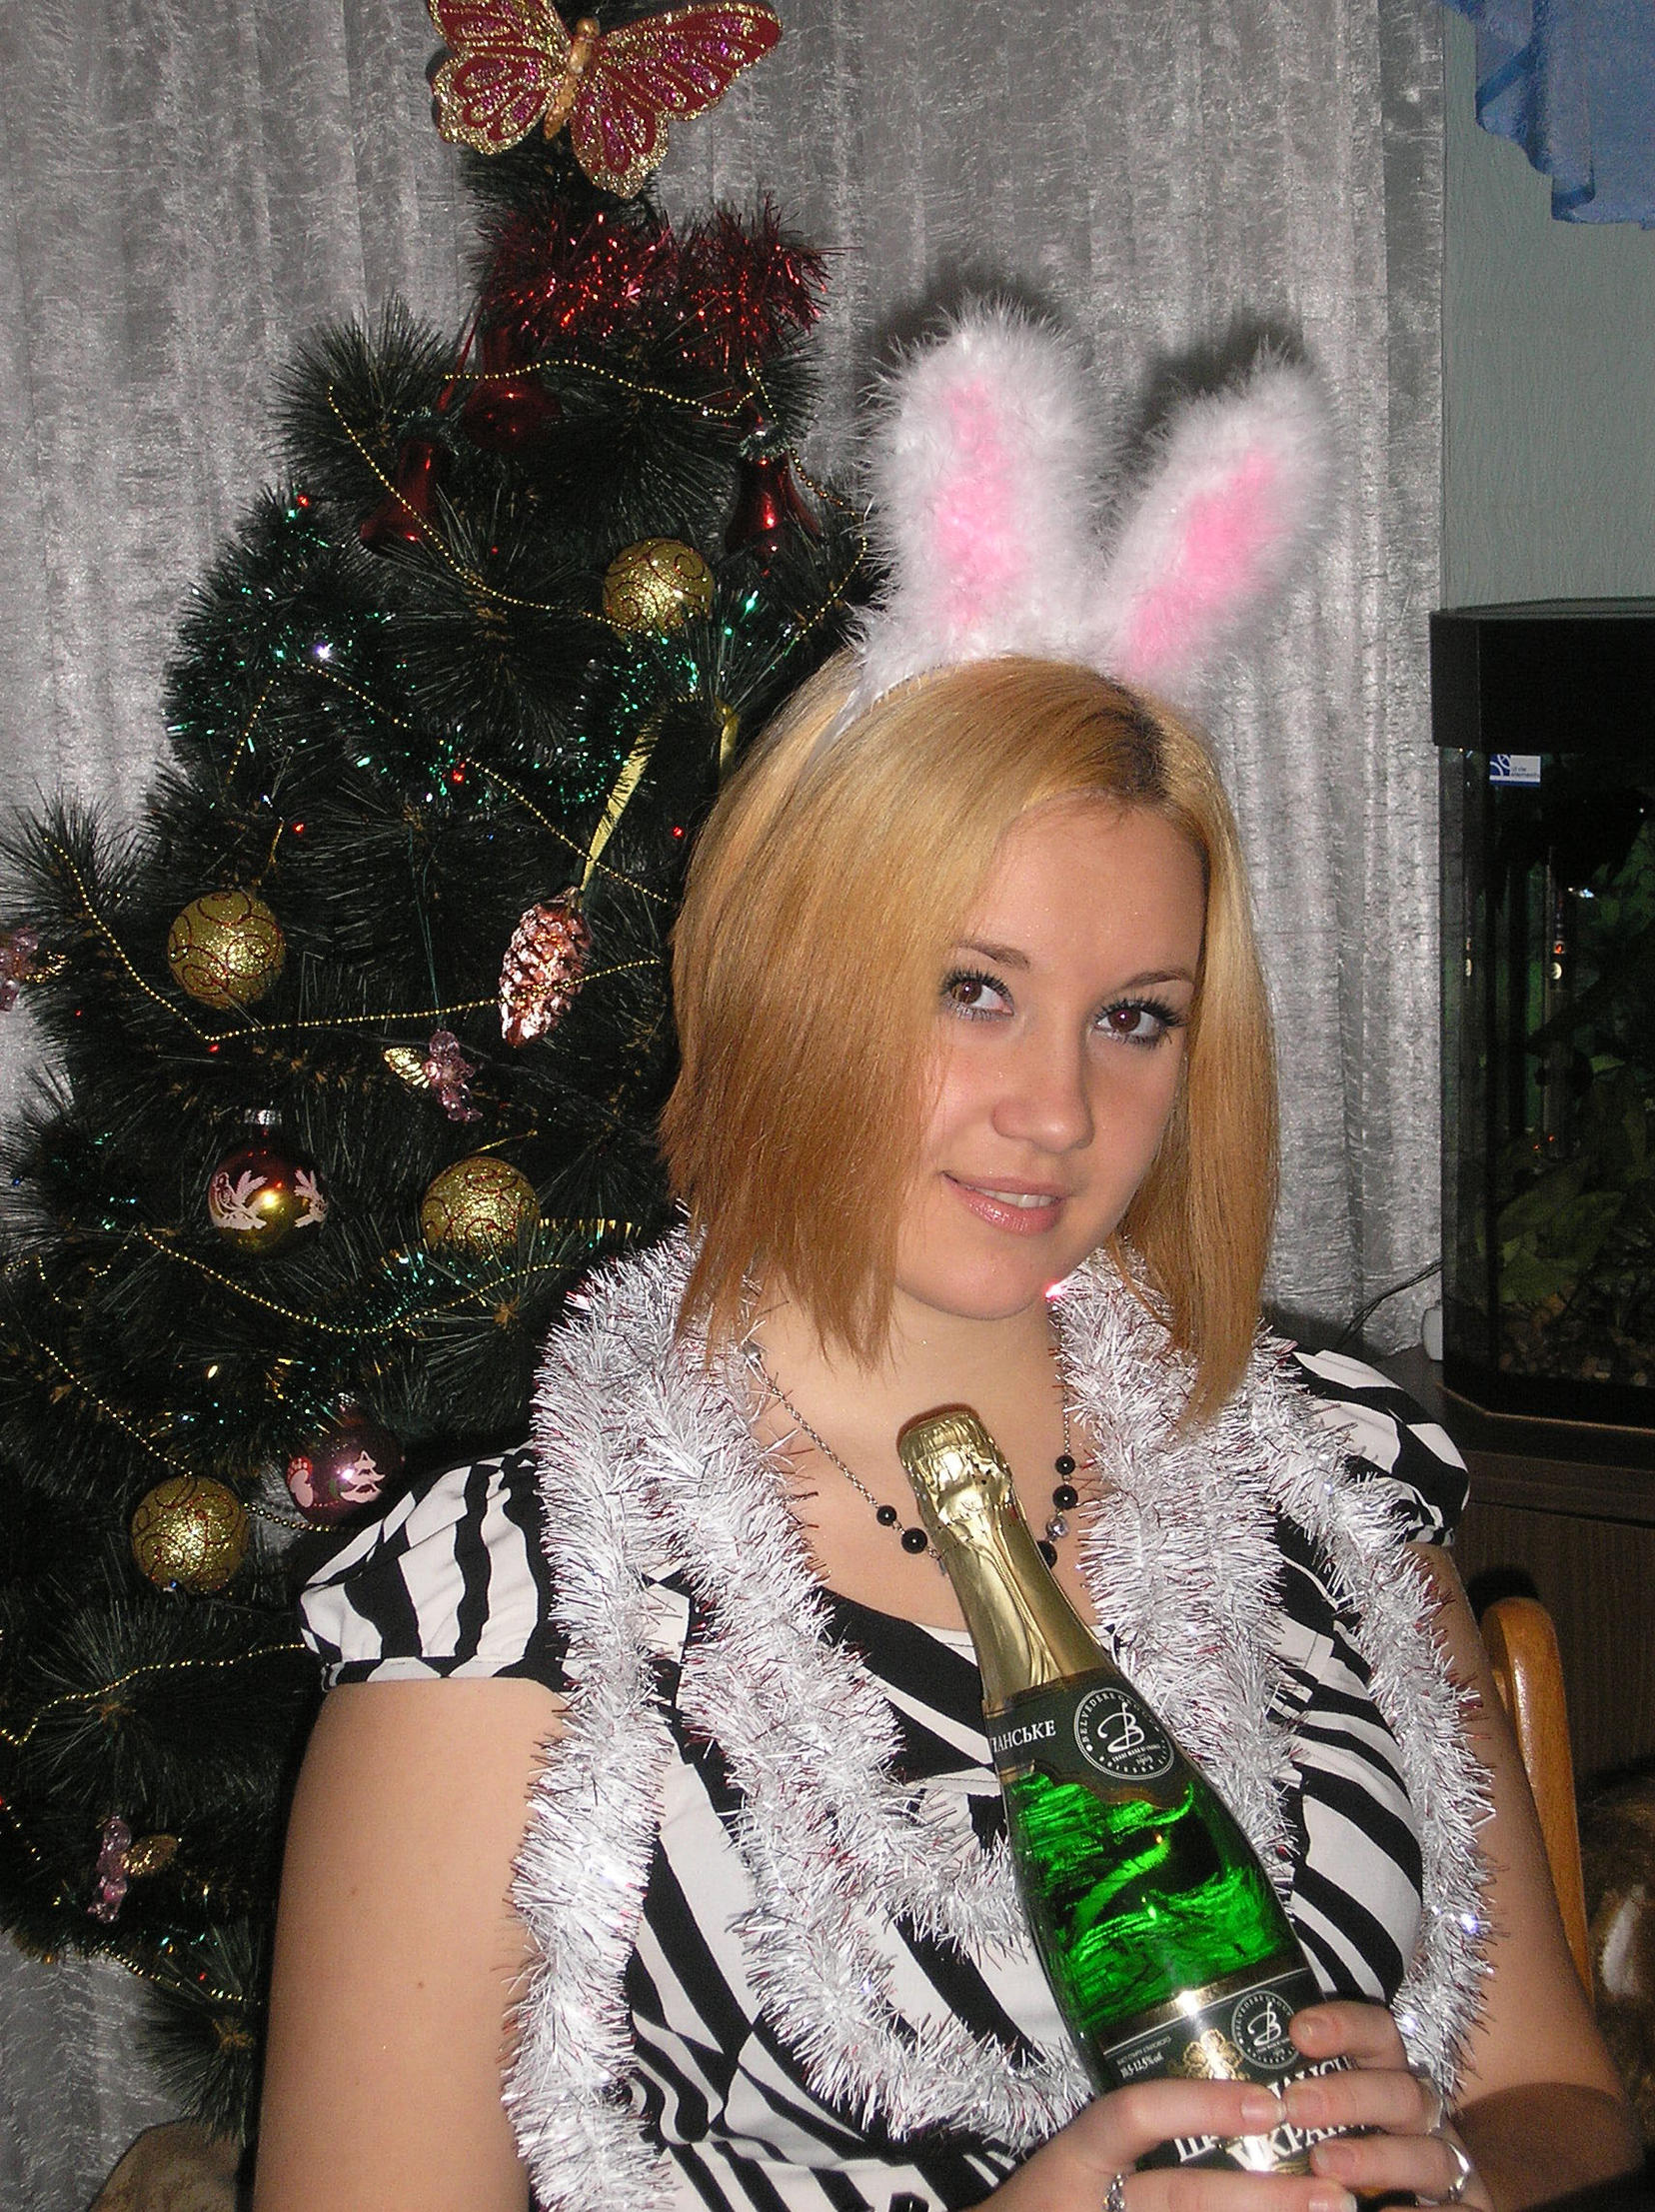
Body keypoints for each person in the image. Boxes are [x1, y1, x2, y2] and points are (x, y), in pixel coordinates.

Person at [253, 314, 1642, 2212]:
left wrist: (1448, 2172)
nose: (1056, 1112)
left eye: (1135, 1017)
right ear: (788, 974)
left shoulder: (1323, 1477)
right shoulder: (508, 1625)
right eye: (974, 989)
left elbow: (1562, 2099)